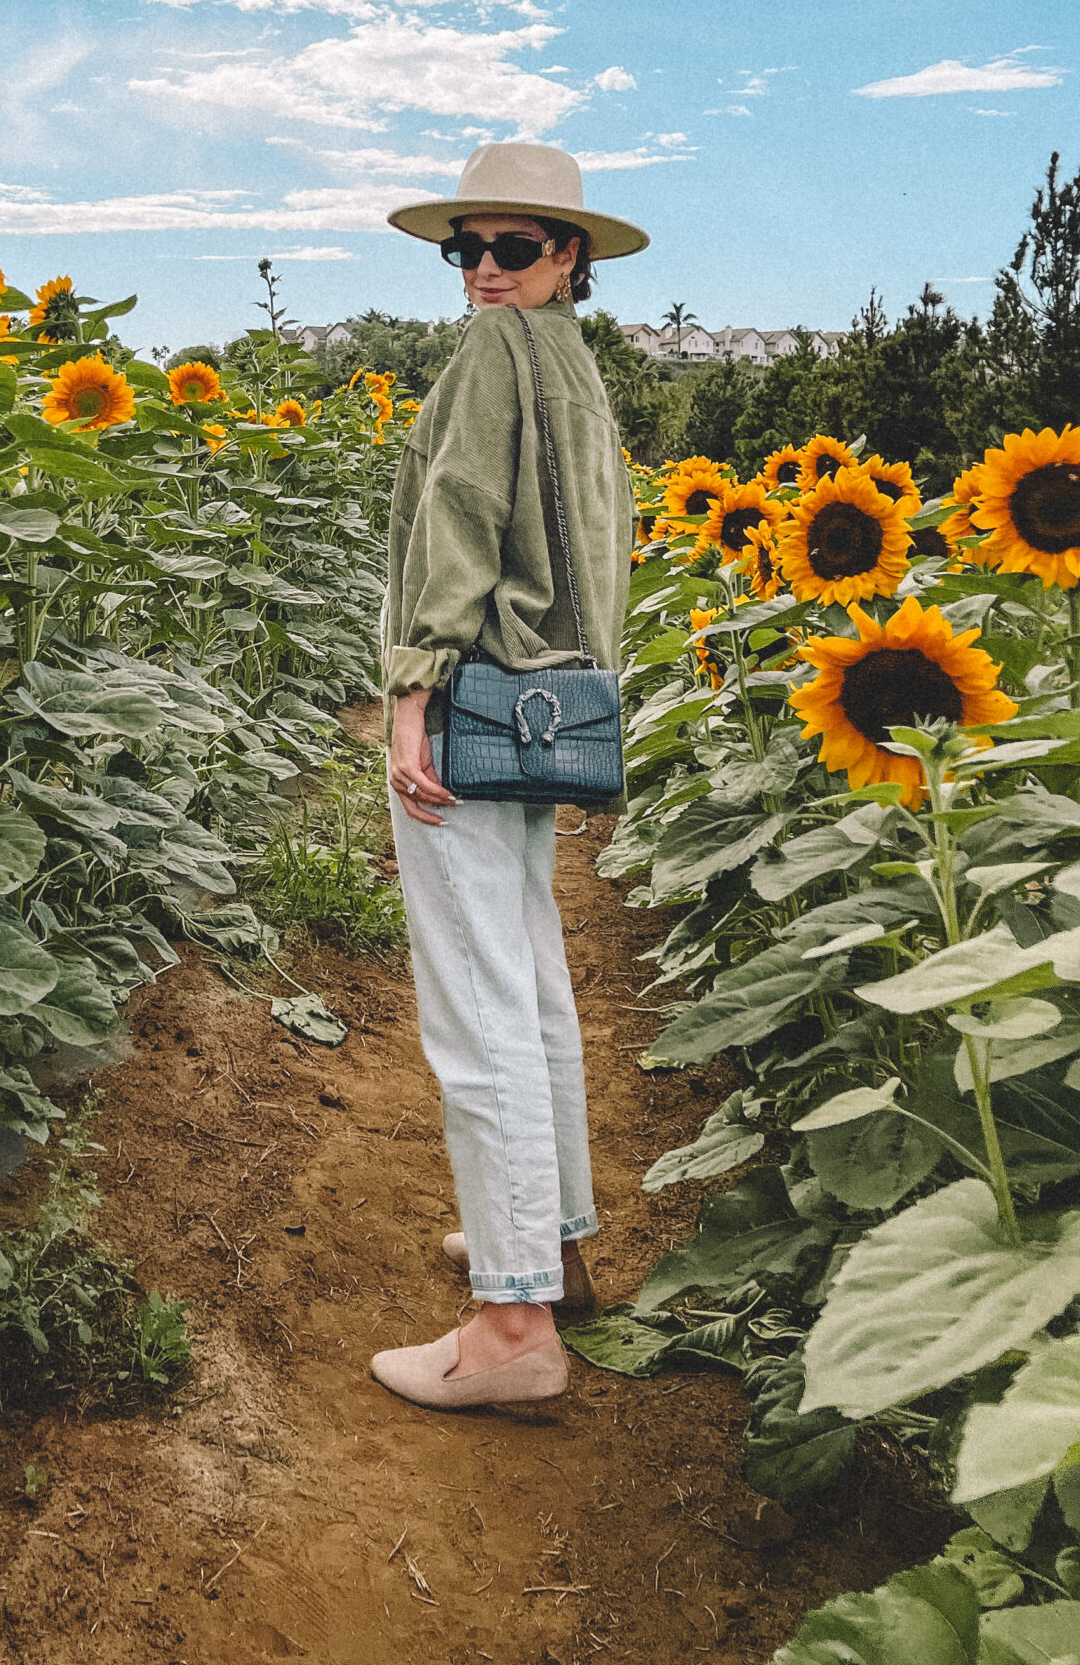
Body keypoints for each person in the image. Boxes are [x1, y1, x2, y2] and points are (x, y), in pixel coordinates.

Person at [368, 140, 648, 1410]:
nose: (483, 272)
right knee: (529, 980)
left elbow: (460, 523)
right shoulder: (578, 371)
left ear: (568, 257)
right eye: (464, 248)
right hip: (549, 705)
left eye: (514, 248)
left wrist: (410, 696)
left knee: (476, 1005)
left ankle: (511, 1325)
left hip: (475, 700)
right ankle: (554, 1245)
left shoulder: (493, 355)